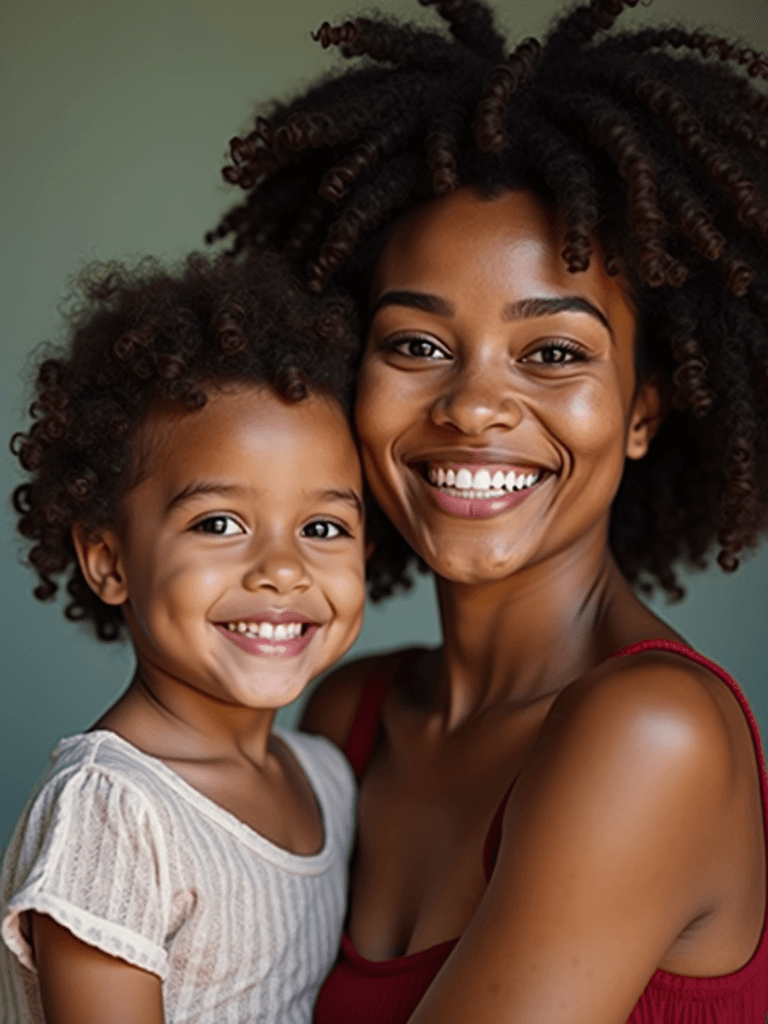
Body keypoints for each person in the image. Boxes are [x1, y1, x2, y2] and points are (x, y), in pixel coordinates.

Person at [209, 0, 768, 1020]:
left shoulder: (651, 734)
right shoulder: (351, 718)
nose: (471, 405)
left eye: (554, 353)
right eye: (415, 345)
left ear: (644, 409)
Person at [0, 250, 366, 1023]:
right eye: (219, 523)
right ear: (107, 559)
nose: (282, 569)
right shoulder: (113, 810)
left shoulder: (329, 778)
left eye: (324, 526)